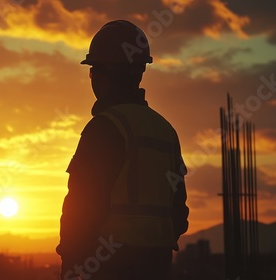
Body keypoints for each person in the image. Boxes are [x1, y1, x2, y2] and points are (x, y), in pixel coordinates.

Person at [56, 20, 189, 280]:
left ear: (104, 74)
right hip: (158, 266)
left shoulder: (105, 128)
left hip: (106, 267)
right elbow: (179, 215)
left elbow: (81, 211)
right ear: (139, 71)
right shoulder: (166, 131)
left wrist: (73, 265)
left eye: (94, 70)